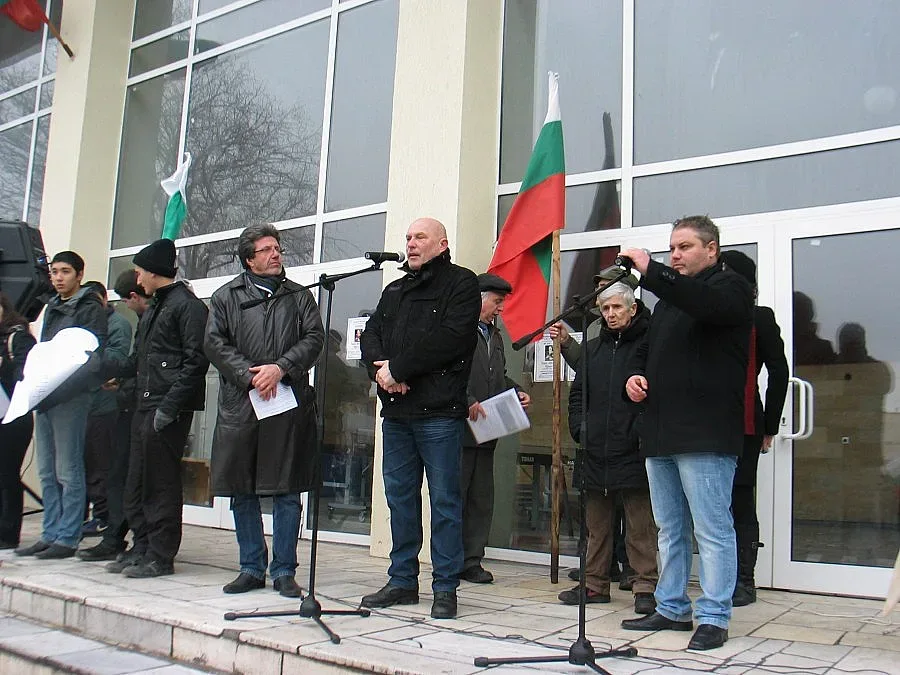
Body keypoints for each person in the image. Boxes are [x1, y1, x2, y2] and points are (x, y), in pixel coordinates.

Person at [619, 216, 753, 651]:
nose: (675, 255)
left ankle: (714, 615)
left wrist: (652, 270)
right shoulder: (669, 303)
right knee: (669, 528)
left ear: (711, 250)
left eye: (685, 247)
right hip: (661, 431)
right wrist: (635, 376)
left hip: (706, 435)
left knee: (713, 529)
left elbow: (704, 304)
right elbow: (646, 350)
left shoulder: (728, 290)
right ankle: (671, 606)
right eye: (671, 248)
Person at [359, 217, 480, 619]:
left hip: (439, 414)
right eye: (408, 237)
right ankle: (402, 581)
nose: (410, 243)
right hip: (397, 413)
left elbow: (449, 340)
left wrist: (399, 370)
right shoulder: (394, 290)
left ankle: (445, 587)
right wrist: (381, 373)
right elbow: (371, 335)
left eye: (419, 237)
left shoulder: (461, 284)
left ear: (442, 244)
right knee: (400, 499)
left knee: (445, 501)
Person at [205, 224, 325, 598]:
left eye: (278, 248)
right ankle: (251, 567)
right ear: (248, 259)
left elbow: (315, 338)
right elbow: (213, 343)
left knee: (287, 489)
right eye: (267, 250)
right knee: (244, 488)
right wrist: (249, 375)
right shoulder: (225, 297)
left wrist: (280, 368)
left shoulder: (299, 296)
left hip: (287, 402)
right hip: (242, 404)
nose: (277, 254)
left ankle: (284, 570)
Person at [106, 239, 209, 578]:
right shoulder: (156, 309)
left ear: (153, 272)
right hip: (145, 405)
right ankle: (143, 545)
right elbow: (140, 359)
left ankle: (161, 556)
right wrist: (101, 367)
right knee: (137, 479)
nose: (137, 279)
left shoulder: (187, 307)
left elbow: (196, 363)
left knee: (161, 482)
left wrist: (170, 407)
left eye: (139, 272)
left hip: (166, 408)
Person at [559, 282, 659, 615]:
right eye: (605, 309)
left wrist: (640, 431)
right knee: (596, 526)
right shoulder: (592, 349)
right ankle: (594, 584)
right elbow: (577, 395)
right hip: (594, 447)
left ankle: (645, 586)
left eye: (617, 308)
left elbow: (659, 392)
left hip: (634, 447)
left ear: (632, 308)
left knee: (640, 526)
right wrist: (579, 428)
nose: (611, 315)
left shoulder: (650, 345)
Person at [550, 266, 638, 587]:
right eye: (601, 298)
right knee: (598, 514)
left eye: (608, 291)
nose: (605, 305)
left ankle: (635, 571)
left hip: (629, 438)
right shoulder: (594, 329)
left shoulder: (644, 331)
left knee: (635, 515)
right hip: (596, 435)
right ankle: (599, 572)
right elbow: (585, 373)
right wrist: (579, 426)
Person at [16, 251, 108, 560]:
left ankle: (68, 536)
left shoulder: (89, 307)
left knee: (68, 469)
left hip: (70, 397)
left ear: (79, 275)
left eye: (65, 271)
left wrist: (59, 387)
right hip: (45, 395)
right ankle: (50, 532)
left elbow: (88, 357)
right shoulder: (52, 306)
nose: (58, 277)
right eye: (54, 271)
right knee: (46, 470)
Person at [719, 251, 789, 607]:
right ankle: (718, 577)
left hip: (745, 423)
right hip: (704, 423)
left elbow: (779, 371)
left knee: (740, 499)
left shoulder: (759, 318)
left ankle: (744, 580)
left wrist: (770, 425)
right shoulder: (707, 313)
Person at [460, 273, 530, 584]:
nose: (500, 308)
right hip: (460, 431)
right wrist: (466, 400)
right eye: (497, 302)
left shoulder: (495, 336)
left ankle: (471, 560)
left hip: (487, 434)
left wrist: (516, 392)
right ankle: (449, 560)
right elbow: (446, 374)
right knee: (456, 498)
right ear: (479, 299)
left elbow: (497, 377)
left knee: (480, 499)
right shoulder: (458, 331)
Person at [78, 270, 150, 562]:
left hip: (136, 407)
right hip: (127, 402)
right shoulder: (145, 319)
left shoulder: (134, 321)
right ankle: (116, 536)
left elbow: (141, 362)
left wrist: (104, 366)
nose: (127, 307)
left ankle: (136, 540)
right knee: (118, 475)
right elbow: (136, 363)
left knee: (128, 476)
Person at [80, 281, 133, 538]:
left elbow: (118, 359)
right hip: (83, 405)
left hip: (107, 405)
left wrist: (93, 365)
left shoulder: (118, 325)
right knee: (84, 464)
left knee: (103, 465)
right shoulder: (81, 324)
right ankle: (86, 515)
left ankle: (103, 517)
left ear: (104, 299)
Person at [0, 292, 37, 549]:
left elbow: (28, 375)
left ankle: (8, 533)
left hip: (14, 417)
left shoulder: (18, 337)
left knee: (7, 474)